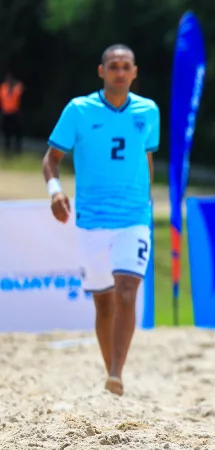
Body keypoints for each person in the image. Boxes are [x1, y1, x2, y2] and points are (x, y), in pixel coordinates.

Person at [41, 44, 159, 397]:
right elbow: (51, 159)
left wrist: (148, 202)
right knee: (103, 302)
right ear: (102, 71)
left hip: (134, 217)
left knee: (127, 292)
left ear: (134, 72)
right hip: (91, 220)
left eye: (126, 67)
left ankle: (116, 373)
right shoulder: (78, 110)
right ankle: (111, 373)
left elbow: (147, 160)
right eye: (113, 66)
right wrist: (55, 191)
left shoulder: (148, 110)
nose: (120, 72)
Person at [1, 72, 25, 156]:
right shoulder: (3, 88)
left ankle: (17, 151)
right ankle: (7, 151)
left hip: (15, 113)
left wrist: (14, 85)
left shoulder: (17, 88)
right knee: (6, 133)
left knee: (17, 132)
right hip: (6, 114)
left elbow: (21, 88)